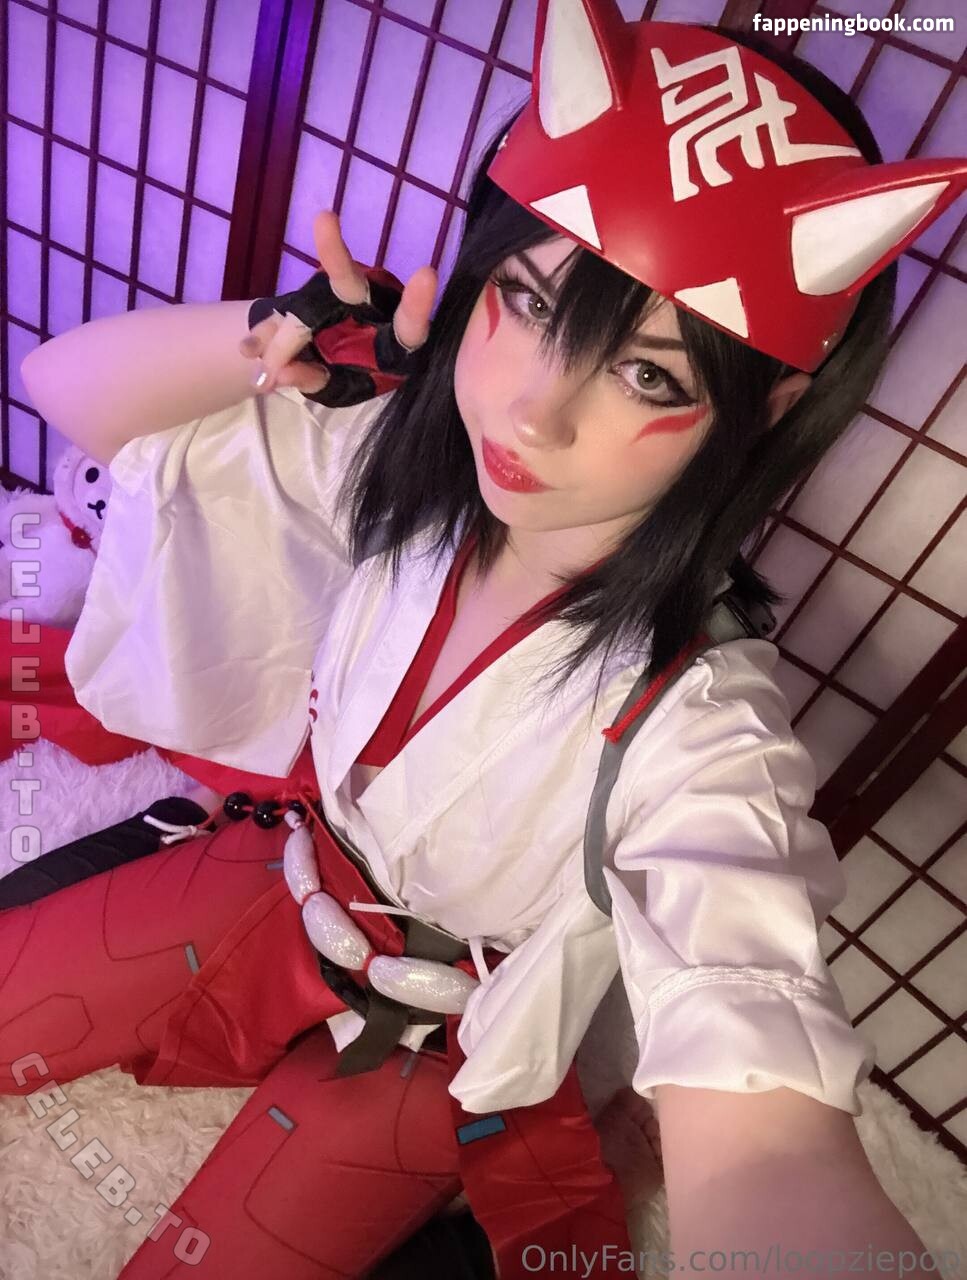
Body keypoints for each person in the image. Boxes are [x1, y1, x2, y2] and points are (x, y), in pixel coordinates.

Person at [3, 8, 965, 1278]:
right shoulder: (406, 452)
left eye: (648, 375)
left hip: (441, 1034)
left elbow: (761, 1077)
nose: (530, 410)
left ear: (767, 406)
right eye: (526, 299)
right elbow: (72, 388)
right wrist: (287, 330)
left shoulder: (704, 731)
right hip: (278, 877)